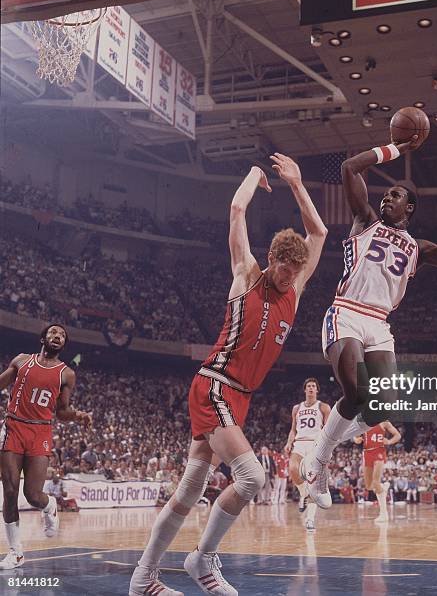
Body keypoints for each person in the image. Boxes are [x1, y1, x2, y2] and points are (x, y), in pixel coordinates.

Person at [129, 155, 327, 596]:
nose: (289, 276)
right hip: (214, 385)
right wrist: (255, 177)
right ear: (271, 258)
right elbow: (237, 211)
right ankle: (201, 559)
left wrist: (297, 184)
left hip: (239, 396)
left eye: (296, 271)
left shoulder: (294, 289)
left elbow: (319, 232)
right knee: (253, 478)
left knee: (188, 490)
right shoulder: (247, 276)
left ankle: (143, 579)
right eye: (284, 268)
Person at [300, 135, 437, 509]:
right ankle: (319, 462)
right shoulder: (365, 222)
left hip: (379, 322)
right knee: (358, 392)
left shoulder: (418, 248)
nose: (386, 198)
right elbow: (350, 167)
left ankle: (323, 442)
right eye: (386, 193)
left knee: (382, 409)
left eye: (395, 195)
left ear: (409, 208)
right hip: (346, 311)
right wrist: (397, 148)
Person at [0, 324, 92, 569]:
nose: (57, 336)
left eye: (62, 335)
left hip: (41, 430)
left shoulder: (67, 374)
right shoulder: (21, 361)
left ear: (63, 344)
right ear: (43, 338)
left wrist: (78, 415)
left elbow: (61, 412)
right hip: (14, 426)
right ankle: (16, 552)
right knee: (9, 491)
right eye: (53, 332)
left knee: (32, 495)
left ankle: (49, 505)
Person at [284, 378, 330, 531]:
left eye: (314, 386)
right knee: (292, 469)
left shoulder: (323, 407)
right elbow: (293, 429)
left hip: (314, 444)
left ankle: (310, 520)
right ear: (305, 390)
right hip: (299, 442)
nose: (311, 388)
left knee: (312, 482)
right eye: (309, 386)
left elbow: (328, 429)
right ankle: (303, 494)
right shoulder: (296, 408)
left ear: (317, 390)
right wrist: (289, 442)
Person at [354, 421, 400, 522]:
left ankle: (383, 514)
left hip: (379, 451)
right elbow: (355, 435)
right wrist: (356, 439)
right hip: (366, 453)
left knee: (375, 481)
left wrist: (389, 441)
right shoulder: (363, 422)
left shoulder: (384, 422)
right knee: (369, 486)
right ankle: (383, 488)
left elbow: (397, 435)